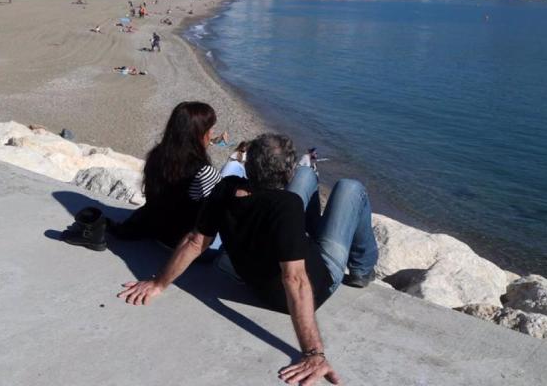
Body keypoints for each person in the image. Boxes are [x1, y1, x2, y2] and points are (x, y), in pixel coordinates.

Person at [118, 133, 379, 385]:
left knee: (307, 174)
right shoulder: (286, 205)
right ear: (285, 174)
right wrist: (313, 354)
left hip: (258, 280)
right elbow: (296, 280)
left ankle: (308, 230)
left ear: (248, 164)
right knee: (350, 188)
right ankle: (362, 269)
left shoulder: (225, 189)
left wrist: (159, 283)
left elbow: (196, 241)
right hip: (318, 283)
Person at [108, 102, 220, 249]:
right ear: (199, 133)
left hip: (154, 228)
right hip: (180, 243)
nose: (212, 133)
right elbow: (213, 214)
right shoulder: (203, 171)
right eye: (210, 129)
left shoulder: (157, 154)